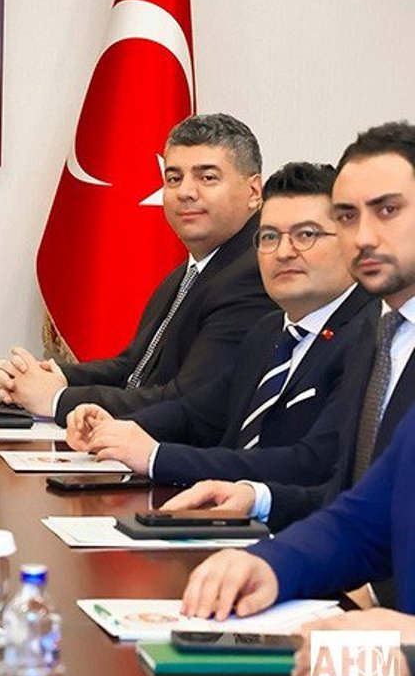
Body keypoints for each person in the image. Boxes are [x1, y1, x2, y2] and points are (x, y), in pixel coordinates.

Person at [178, 122, 415, 621]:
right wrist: (270, 566)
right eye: (347, 216)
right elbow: (367, 516)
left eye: (388, 210)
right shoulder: (380, 335)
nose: (363, 237)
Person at [65, 162, 372, 495]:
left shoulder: (370, 337)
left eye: (306, 235)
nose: (283, 252)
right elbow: (196, 413)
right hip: (222, 513)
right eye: (269, 237)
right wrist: (114, 428)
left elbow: (308, 464)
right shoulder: (269, 330)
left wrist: (156, 457)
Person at [0, 113, 276, 422]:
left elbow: (190, 402)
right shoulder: (190, 272)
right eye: (174, 178)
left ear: (254, 192)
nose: (185, 192)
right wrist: (56, 376)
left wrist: (56, 400)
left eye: (207, 178)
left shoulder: (254, 275)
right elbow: (134, 368)